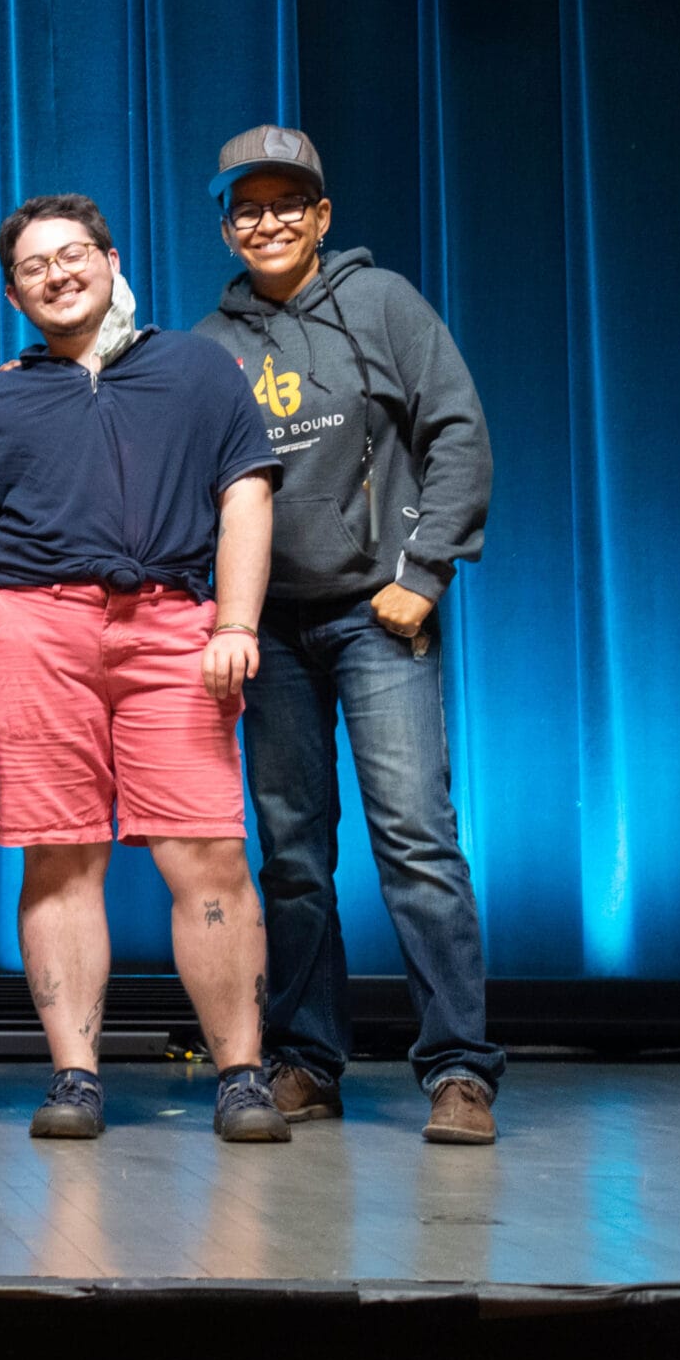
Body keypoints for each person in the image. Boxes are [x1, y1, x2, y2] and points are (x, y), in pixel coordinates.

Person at [0, 193, 291, 1143]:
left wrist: (236, 620)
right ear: (13, 290)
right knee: (60, 855)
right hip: (35, 629)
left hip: (173, 625)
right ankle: (76, 1076)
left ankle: (243, 1074)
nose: (57, 273)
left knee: (205, 850)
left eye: (73, 253)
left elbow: (246, 493)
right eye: (34, 265)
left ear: (111, 258)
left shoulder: (197, 368)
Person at [193, 126, 502, 1144]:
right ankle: (305, 1060)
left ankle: (457, 1067)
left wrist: (425, 570)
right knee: (290, 853)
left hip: (378, 614)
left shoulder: (382, 302)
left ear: (322, 216)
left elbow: (454, 429)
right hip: (268, 631)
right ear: (227, 225)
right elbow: (189, 490)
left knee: (415, 841)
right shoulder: (208, 347)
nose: (268, 221)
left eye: (289, 204)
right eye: (249, 207)